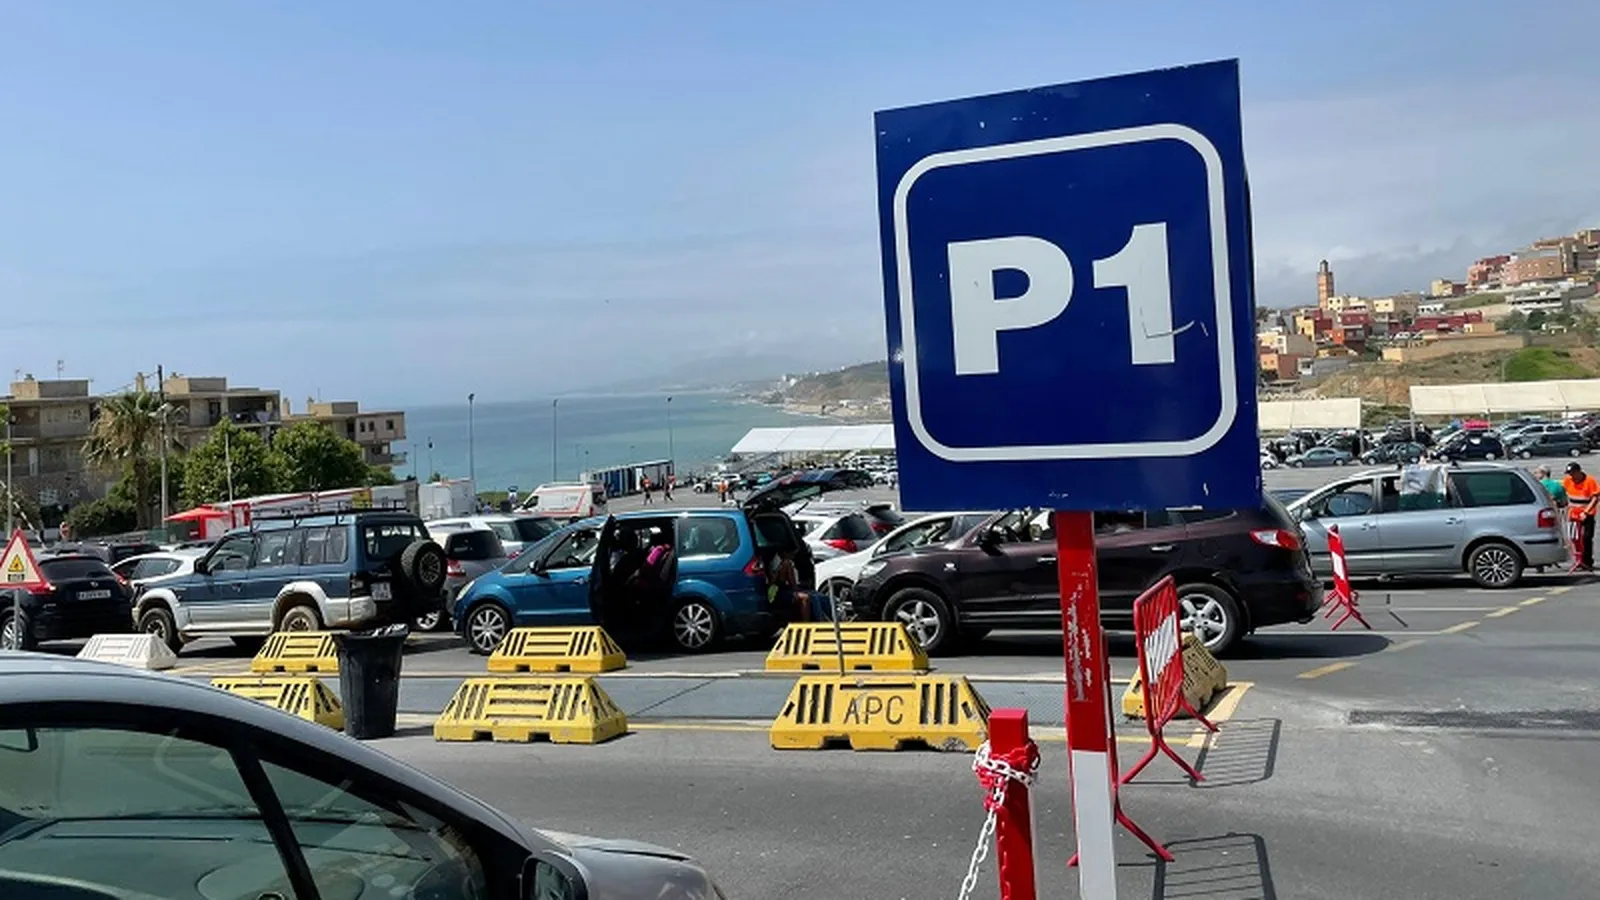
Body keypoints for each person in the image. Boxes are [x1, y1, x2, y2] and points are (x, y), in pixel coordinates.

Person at [1562, 461, 1599, 570]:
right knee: (1575, 538)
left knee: (1586, 537)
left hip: (1586, 514)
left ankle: (1587, 561)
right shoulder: (1568, 481)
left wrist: (1586, 512)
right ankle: (1579, 560)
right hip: (1573, 514)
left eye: (1573, 473)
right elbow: (1563, 493)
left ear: (1578, 471)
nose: (1571, 476)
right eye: (1570, 474)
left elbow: (1595, 498)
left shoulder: (1590, 481)